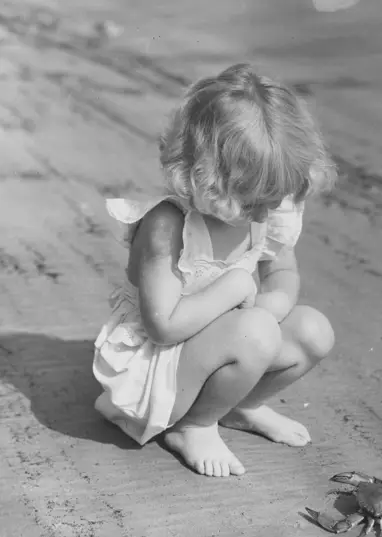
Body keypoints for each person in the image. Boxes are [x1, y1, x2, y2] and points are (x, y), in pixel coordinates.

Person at [93, 63, 337, 477]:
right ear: (206, 180)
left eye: (273, 198)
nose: (265, 212)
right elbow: (163, 328)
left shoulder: (266, 208)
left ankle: (241, 406)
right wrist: (235, 288)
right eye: (253, 200)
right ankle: (192, 426)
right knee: (255, 332)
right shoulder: (168, 225)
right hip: (162, 366)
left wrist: (272, 304)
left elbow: (283, 272)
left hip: (226, 341)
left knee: (313, 331)